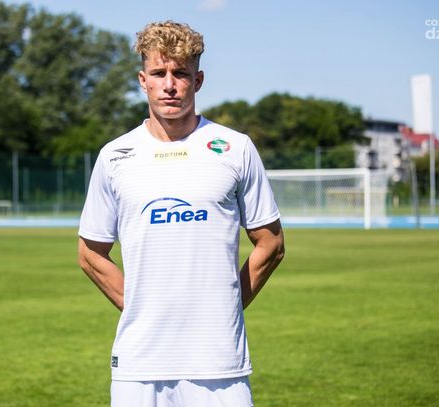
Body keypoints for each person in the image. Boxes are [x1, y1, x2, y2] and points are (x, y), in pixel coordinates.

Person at [78, 21, 285, 407]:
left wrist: (227, 305)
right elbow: (90, 253)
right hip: (140, 362)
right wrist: (137, 304)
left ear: (198, 80)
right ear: (143, 81)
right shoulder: (115, 156)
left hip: (219, 360)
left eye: (181, 74)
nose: (170, 85)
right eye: (159, 73)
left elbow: (271, 244)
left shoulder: (236, 148)